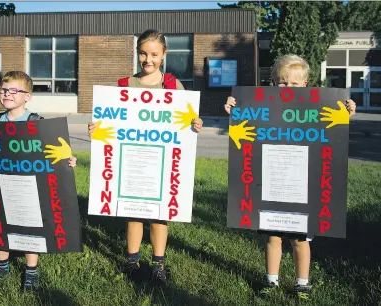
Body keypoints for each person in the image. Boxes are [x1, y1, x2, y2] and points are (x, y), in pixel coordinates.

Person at [224, 54, 356, 300]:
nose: (288, 88)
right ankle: (271, 281)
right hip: (272, 183)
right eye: (282, 83)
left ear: (305, 84)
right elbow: (243, 129)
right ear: (274, 84)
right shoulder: (262, 107)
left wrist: (347, 113)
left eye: (295, 84)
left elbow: (335, 127)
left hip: (302, 185)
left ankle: (302, 283)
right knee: (273, 236)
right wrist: (235, 109)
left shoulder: (317, 107)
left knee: (300, 239)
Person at [88, 29, 203, 285]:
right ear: (137, 53)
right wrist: (96, 129)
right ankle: (132, 262)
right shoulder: (124, 86)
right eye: (143, 53)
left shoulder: (173, 86)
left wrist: (195, 124)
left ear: (163, 55)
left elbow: (186, 122)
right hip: (132, 162)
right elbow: (109, 123)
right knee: (133, 212)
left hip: (161, 162)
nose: (147, 59)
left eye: (153, 54)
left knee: (159, 214)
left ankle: (158, 264)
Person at [0, 71, 77, 292]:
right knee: (0, 221)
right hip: (1, 185)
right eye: (4, 90)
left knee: (31, 225)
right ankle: (2, 265)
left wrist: (67, 160)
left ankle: (31, 270)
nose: (7, 94)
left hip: (31, 186)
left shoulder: (37, 123)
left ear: (28, 96)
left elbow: (53, 153)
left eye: (14, 90)